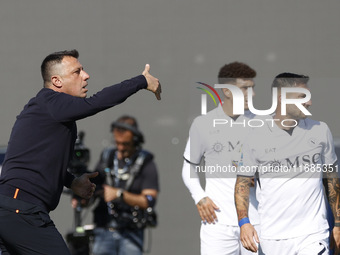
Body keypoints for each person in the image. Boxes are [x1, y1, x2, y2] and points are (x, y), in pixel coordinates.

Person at [0, 49, 161, 255]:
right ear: (57, 81)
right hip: (22, 209)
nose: (86, 76)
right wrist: (141, 81)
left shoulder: (51, 111)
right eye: (77, 72)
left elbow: (40, 162)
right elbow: (95, 102)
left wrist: (71, 181)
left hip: (13, 208)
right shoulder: (51, 102)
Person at [234, 73, 340, 254]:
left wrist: (337, 224)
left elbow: (331, 179)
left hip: (313, 234)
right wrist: (244, 223)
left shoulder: (321, 130)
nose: (309, 102)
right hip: (272, 238)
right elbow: (242, 183)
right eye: (303, 97)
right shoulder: (255, 135)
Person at [182, 62, 261, 255]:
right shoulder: (203, 124)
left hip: (256, 221)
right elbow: (188, 167)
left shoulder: (263, 123)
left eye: (252, 88)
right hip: (216, 223)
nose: (252, 94)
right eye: (245, 88)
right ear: (227, 91)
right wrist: (199, 196)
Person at [90, 115, 159, 255]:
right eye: (117, 143)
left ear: (135, 141)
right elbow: (93, 186)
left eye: (125, 144)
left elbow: (150, 200)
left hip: (131, 232)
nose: (120, 148)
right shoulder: (107, 158)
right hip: (104, 229)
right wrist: (85, 197)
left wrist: (120, 195)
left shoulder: (146, 163)